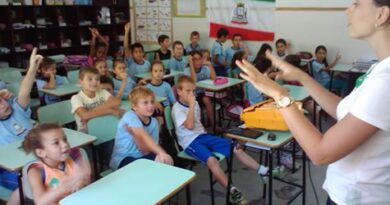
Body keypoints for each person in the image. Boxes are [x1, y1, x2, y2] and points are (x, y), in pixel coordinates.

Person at [235, 1, 390, 204]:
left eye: (357, 4)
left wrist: (279, 94)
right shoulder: (380, 70)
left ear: (381, 14)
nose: (347, 9)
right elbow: (342, 109)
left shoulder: (385, 81)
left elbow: (320, 153)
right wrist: (302, 76)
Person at [172, 76, 269, 205]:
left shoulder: (194, 103)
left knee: (236, 147)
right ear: (179, 91)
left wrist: (207, 136)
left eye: (193, 91)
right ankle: (232, 191)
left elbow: (198, 122)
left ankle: (263, 171)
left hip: (202, 136)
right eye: (188, 91)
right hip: (189, 141)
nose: (191, 94)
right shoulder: (177, 109)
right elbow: (189, 126)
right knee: (212, 160)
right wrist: (190, 105)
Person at [0, 48, 42, 205]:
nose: (4, 104)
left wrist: (32, 68)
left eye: (2, 100)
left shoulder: (17, 109)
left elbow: (24, 91)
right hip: (10, 171)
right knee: (34, 184)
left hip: (34, 160)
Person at [22, 123, 91, 205]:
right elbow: (40, 202)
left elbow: (86, 179)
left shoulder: (73, 156)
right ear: (41, 152)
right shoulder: (36, 171)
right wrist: (61, 188)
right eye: (56, 143)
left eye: (64, 139)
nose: (65, 144)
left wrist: (82, 179)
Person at [110, 86, 173, 170]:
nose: (150, 106)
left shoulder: (154, 122)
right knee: (141, 170)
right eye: (145, 103)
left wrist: (135, 135)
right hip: (123, 158)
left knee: (163, 162)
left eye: (152, 101)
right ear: (134, 106)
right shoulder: (130, 116)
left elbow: (146, 150)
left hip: (143, 155)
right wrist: (161, 152)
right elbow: (143, 135)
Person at [71, 66, 122, 133]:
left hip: (104, 128)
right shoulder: (76, 98)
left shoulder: (102, 92)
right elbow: (85, 116)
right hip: (87, 134)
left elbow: (116, 102)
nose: (94, 82)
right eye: (90, 79)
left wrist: (92, 112)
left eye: (97, 79)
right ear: (80, 82)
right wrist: (109, 110)